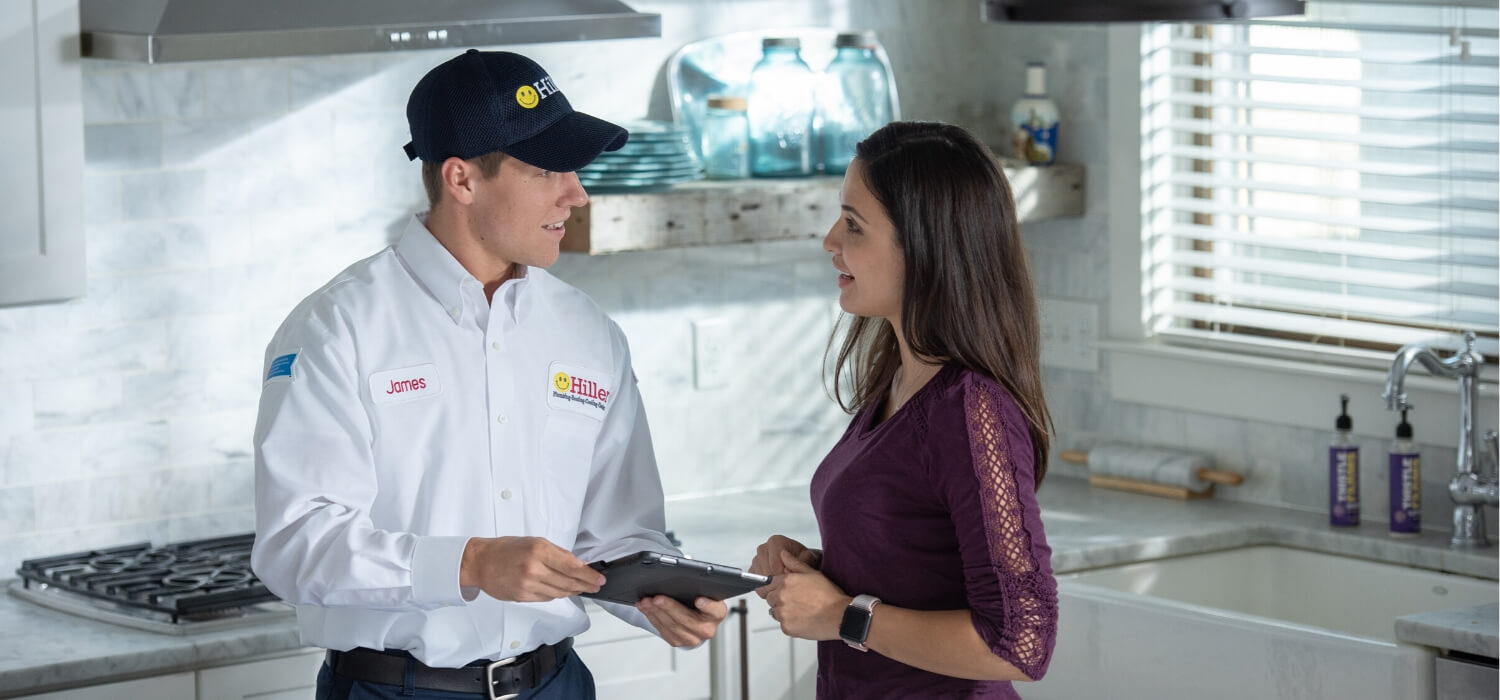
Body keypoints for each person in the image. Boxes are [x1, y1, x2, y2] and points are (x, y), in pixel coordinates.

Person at [251, 49, 726, 700]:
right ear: (461, 179)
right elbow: (296, 544)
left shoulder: (589, 334)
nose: (576, 194)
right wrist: (471, 563)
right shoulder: (338, 328)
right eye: (546, 170)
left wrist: (656, 592)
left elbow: (617, 531)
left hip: (558, 683)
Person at [748, 121, 1059, 699]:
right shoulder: (899, 384)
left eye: (854, 225)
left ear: (925, 246)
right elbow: (916, 570)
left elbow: (1021, 642)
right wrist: (815, 571)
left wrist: (843, 615)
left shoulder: (973, 410)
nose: (829, 240)